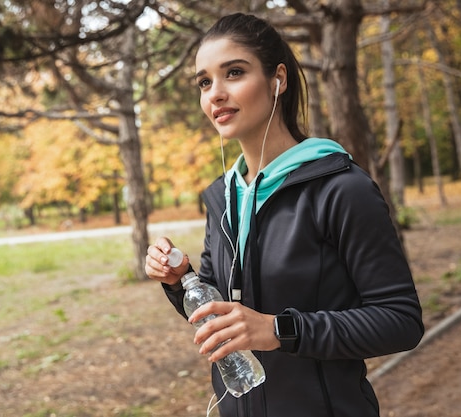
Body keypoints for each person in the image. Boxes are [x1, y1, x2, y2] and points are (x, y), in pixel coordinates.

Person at [145, 12, 424, 417]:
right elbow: (227, 309)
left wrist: (278, 330)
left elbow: (400, 321)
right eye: (205, 82)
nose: (215, 94)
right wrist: (181, 281)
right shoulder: (223, 198)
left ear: (278, 79)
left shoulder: (341, 188)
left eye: (234, 73)